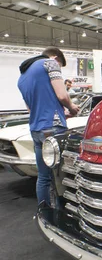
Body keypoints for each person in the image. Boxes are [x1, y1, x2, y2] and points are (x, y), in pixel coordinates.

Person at [17, 47, 80, 206]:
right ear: (55, 57)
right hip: (54, 128)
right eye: (60, 65)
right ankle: (62, 217)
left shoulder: (22, 77)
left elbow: (32, 109)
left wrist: (61, 113)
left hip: (37, 129)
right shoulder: (50, 63)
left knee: (44, 177)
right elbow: (62, 95)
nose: (59, 68)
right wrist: (72, 107)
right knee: (61, 177)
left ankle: (44, 211)